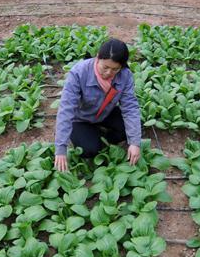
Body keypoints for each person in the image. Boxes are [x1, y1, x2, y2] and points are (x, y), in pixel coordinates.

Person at [54, 38, 142, 171]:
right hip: (81, 118)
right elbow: (66, 110)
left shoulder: (125, 75)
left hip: (105, 111)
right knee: (89, 150)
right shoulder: (78, 73)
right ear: (97, 58)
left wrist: (135, 143)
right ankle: (90, 135)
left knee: (133, 129)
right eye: (105, 67)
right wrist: (60, 149)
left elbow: (130, 108)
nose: (108, 73)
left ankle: (99, 134)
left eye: (115, 69)